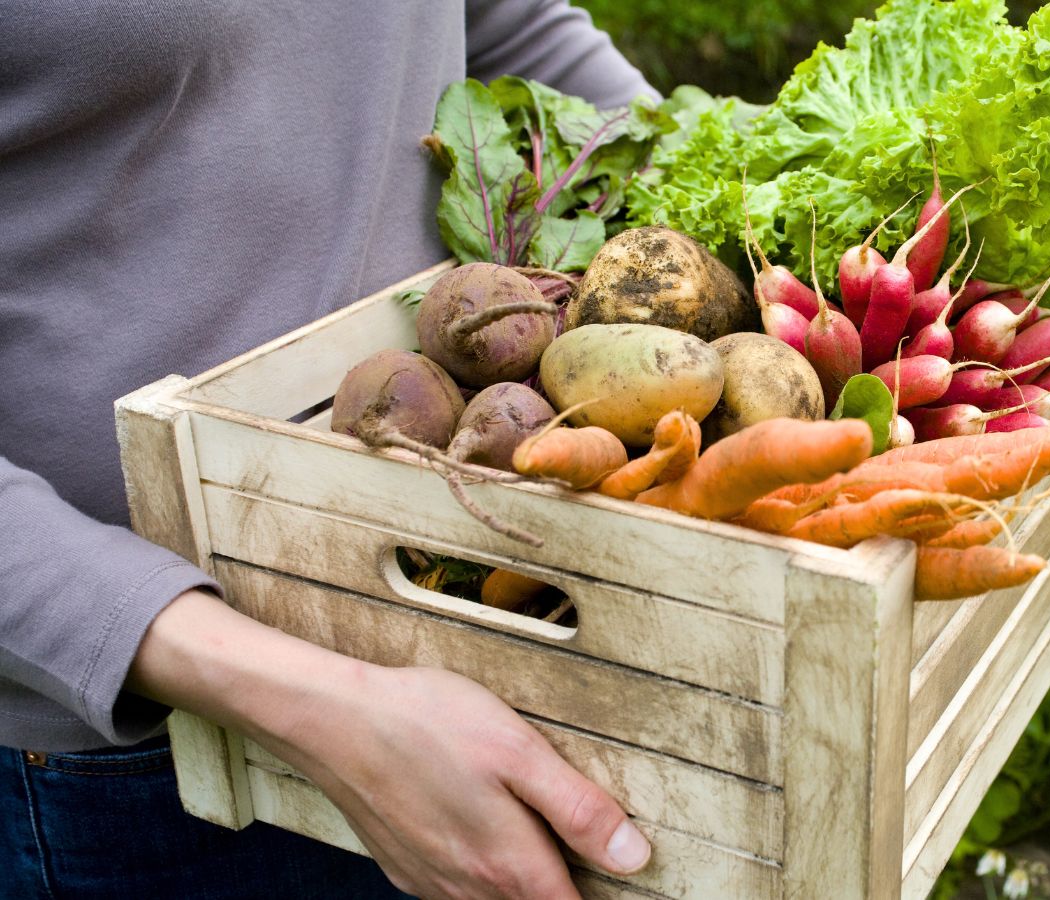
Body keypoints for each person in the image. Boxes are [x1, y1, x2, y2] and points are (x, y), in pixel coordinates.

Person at [0, 2, 660, 897]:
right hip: (163, 749)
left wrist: (723, 183)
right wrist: (318, 709)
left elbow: (507, 22)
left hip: (472, 616)